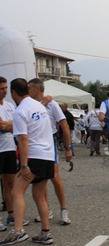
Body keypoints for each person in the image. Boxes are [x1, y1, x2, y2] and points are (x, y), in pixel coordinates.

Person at [1, 78, 54, 244]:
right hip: (48, 155)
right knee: (39, 195)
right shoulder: (39, 105)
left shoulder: (20, 111)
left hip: (34, 155)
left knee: (16, 192)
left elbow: (23, 139)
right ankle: (45, 233)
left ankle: (18, 231)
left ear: (13, 92)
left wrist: (24, 165)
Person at [27, 78, 72, 225]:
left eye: (29, 88)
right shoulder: (31, 105)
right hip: (34, 142)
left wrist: (68, 148)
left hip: (49, 141)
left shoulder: (52, 104)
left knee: (55, 177)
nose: (27, 91)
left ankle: (64, 210)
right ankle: (46, 209)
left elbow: (64, 126)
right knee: (41, 178)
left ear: (37, 89)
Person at [0, 77, 29, 231]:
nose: (4, 91)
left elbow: (13, 124)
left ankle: (11, 215)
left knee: (9, 184)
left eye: (5, 88)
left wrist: (8, 125)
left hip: (9, 148)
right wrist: (9, 125)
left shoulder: (11, 106)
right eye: (1, 89)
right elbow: (4, 125)